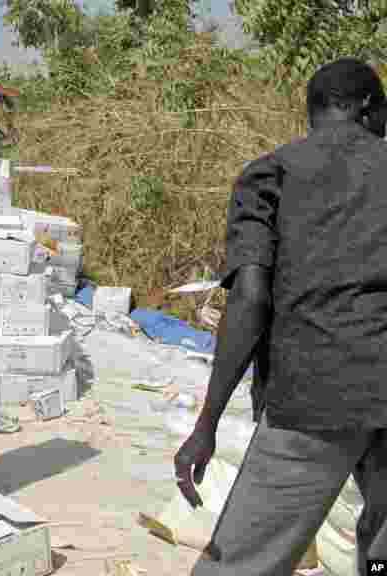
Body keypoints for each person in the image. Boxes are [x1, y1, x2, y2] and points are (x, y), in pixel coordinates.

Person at [174, 57, 387, 575]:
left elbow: (249, 297)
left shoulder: (273, 173)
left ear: (313, 111)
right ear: (366, 107)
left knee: (242, 563)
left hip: (313, 401)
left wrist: (208, 423)